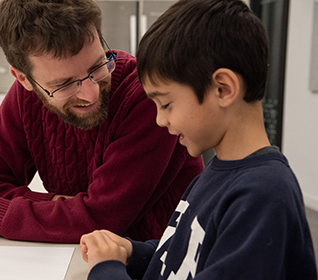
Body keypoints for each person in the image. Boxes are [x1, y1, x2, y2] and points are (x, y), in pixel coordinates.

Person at [0, 0, 203, 243]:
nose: (91, 93)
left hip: (153, 262)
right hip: (72, 256)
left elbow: (102, 219)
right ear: (23, 79)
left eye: (97, 66)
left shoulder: (144, 97)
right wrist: (60, 205)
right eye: (65, 84)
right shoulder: (25, 96)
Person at [79, 0, 318, 279]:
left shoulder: (262, 196)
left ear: (223, 88)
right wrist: (133, 252)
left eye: (166, 104)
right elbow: (189, 255)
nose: (160, 120)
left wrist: (105, 269)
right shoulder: (215, 173)